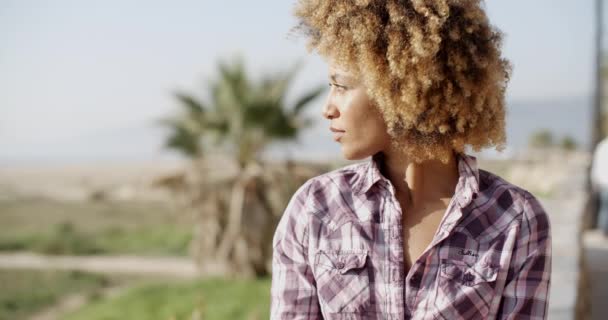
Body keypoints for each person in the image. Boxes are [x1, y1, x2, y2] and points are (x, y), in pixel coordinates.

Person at [271, 1, 551, 319]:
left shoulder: (515, 220)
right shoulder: (315, 209)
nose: (328, 108)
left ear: (399, 83)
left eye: (341, 85)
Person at [592, 136, 608, 235]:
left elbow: (595, 166)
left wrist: (594, 181)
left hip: (602, 183)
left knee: (604, 208)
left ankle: (603, 231)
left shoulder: (601, 146)